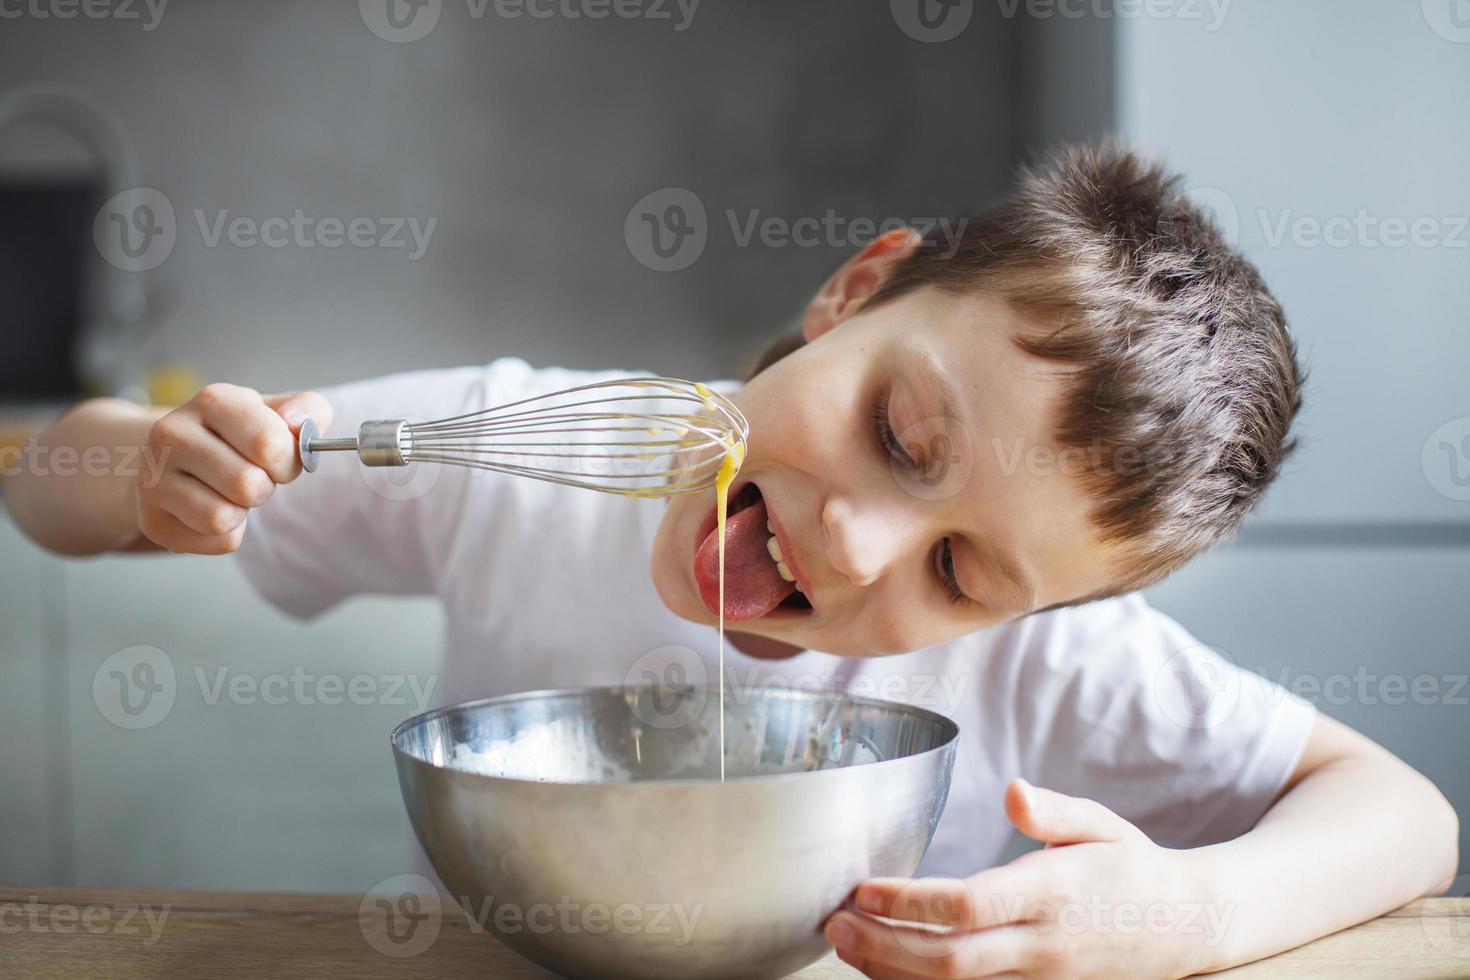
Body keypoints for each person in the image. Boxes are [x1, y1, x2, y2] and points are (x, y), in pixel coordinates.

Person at [6, 142, 1457, 979]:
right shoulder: (510, 449)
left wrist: (1186, 910)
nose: (860, 542)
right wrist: (140, 467)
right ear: (853, 291)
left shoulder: (1050, 652)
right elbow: (44, 491)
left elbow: (1404, 817)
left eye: (958, 577)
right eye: (898, 433)